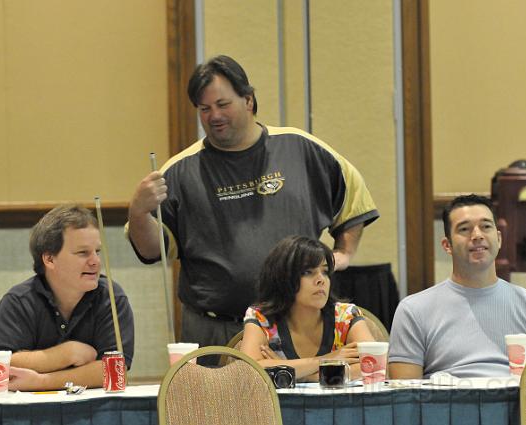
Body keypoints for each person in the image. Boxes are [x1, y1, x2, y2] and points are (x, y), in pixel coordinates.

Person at [127, 55, 379, 354]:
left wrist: (344, 252)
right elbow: (151, 250)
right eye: (204, 109)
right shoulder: (180, 170)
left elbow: (354, 199)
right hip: (214, 327)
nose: (214, 116)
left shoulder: (300, 148)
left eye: (223, 104)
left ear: (248, 100)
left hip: (292, 325)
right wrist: (138, 211)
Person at [388, 194, 526, 379]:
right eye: (464, 229)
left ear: (499, 239)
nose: (477, 235)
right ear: (447, 245)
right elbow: (405, 391)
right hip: (445, 397)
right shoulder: (413, 310)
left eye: (486, 226)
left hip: (517, 398)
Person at [0, 204, 135, 391]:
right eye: (83, 253)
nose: (96, 261)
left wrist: (42, 381)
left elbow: (115, 370)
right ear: (49, 259)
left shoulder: (112, 298)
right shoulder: (18, 301)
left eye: (97, 252)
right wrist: (65, 354)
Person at [240, 236, 375, 381]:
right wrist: (327, 360)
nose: (321, 280)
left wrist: (299, 373)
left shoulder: (345, 316)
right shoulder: (261, 317)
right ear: (283, 277)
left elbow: (373, 366)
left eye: (325, 271)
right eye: (307, 272)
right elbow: (248, 370)